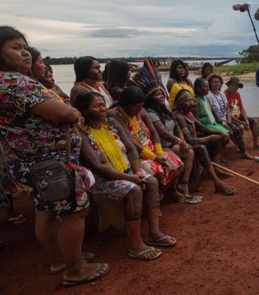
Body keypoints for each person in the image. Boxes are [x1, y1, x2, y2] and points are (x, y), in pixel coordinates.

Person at [0, 25, 109, 286]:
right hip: (50, 163)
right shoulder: (14, 82)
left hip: (29, 164)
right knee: (74, 212)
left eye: (26, 48)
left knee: (45, 211)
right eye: (16, 48)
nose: (25, 54)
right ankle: (75, 269)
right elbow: (62, 113)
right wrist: (73, 113)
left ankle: (60, 259)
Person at [76, 92, 175, 260]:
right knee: (134, 189)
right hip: (103, 179)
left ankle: (154, 232)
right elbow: (97, 167)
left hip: (127, 171)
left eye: (102, 105)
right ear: (84, 111)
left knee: (150, 181)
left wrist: (136, 171)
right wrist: (132, 178)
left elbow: (130, 148)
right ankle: (136, 244)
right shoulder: (81, 133)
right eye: (96, 106)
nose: (102, 109)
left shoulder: (112, 123)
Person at [131, 62, 201, 203]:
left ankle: (184, 184)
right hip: (162, 145)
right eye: (157, 95)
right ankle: (166, 193)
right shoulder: (150, 112)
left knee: (190, 152)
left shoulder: (166, 108)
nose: (161, 96)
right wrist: (179, 142)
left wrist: (182, 140)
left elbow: (175, 127)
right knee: (178, 163)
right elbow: (162, 132)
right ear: (150, 98)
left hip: (173, 141)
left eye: (162, 94)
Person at [109, 86, 184, 201]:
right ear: (128, 105)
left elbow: (154, 133)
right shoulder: (115, 115)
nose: (139, 109)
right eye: (137, 106)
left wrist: (159, 153)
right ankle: (153, 201)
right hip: (137, 155)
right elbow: (130, 143)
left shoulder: (142, 110)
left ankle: (160, 195)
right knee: (158, 172)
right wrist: (154, 157)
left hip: (152, 150)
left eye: (141, 105)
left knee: (179, 165)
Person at [172, 89, 236, 196]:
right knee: (201, 147)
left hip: (194, 139)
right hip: (184, 144)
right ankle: (216, 182)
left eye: (191, 100)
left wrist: (219, 132)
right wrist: (208, 138)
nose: (191, 103)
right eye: (187, 101)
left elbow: (201, 128)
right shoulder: (179, 116)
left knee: (218, 139)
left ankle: (216, 168)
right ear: (179, 103)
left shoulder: (188, 114)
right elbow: (188, 139)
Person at [196, 77, 252, 160]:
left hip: (223, 119)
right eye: (214, 82)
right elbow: (209, 114)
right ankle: (218, 155)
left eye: (218, 82)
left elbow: (227, 108)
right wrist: (222, 122)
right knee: (229, 132)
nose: (216, 84)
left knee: (234, 131)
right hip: (214, 122)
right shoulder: (207, 96)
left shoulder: (221, 94)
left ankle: (243, 151)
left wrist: (228, 119)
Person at [224, 76, 259, 149]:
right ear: (229, 85)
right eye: (233, 85)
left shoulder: (237, 94)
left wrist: (246, 120)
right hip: (230, 117)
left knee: (254, 122)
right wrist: (241, 122)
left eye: (237, 86)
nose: (235, 87)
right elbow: (227, 113)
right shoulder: (224, 94)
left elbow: (242, 108)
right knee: (241, 127)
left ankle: (256, 144)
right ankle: (240, 145)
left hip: (238, 115)